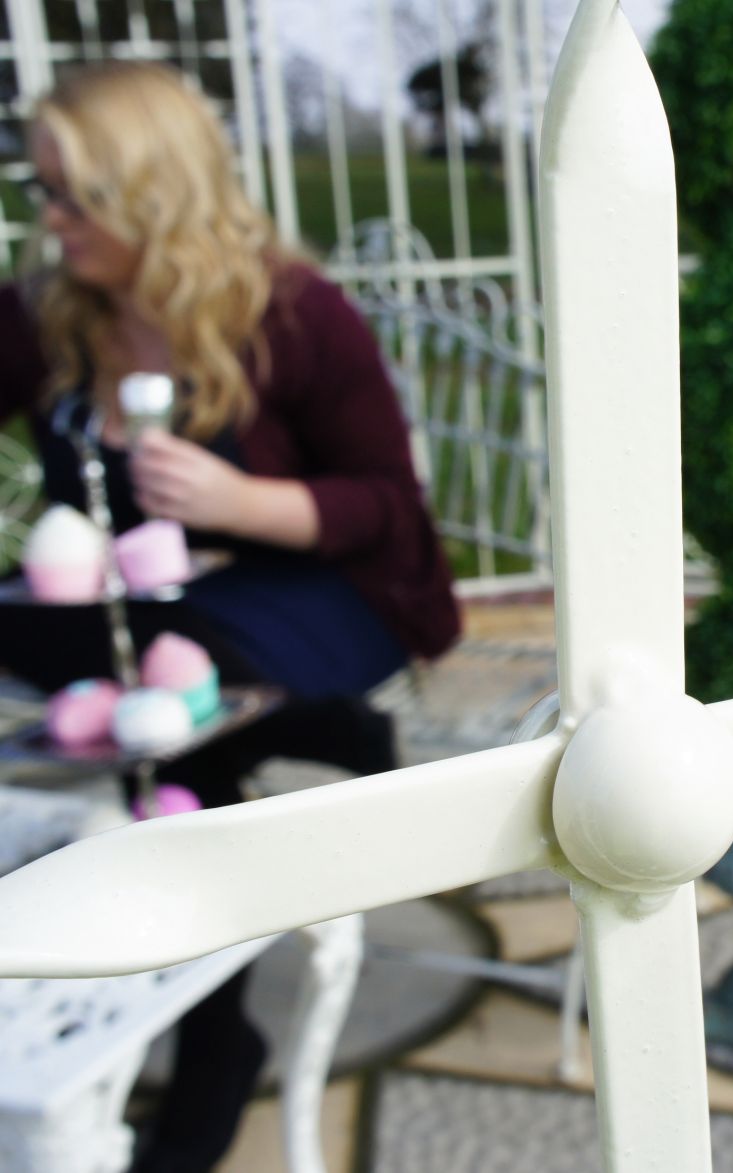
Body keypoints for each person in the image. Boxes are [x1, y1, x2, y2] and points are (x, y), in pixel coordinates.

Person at [0, 61, 460, 1172]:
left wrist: (241, 501)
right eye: (44, 192)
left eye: (73, 197)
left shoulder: (294, 315)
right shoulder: (54, 316)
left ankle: (215, 1039)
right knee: (89, 660)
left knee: (169, 689)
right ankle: (302, 743)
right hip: (146, 611)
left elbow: (389, 507)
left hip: (319, 593)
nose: (49, 221)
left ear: (150, 194)